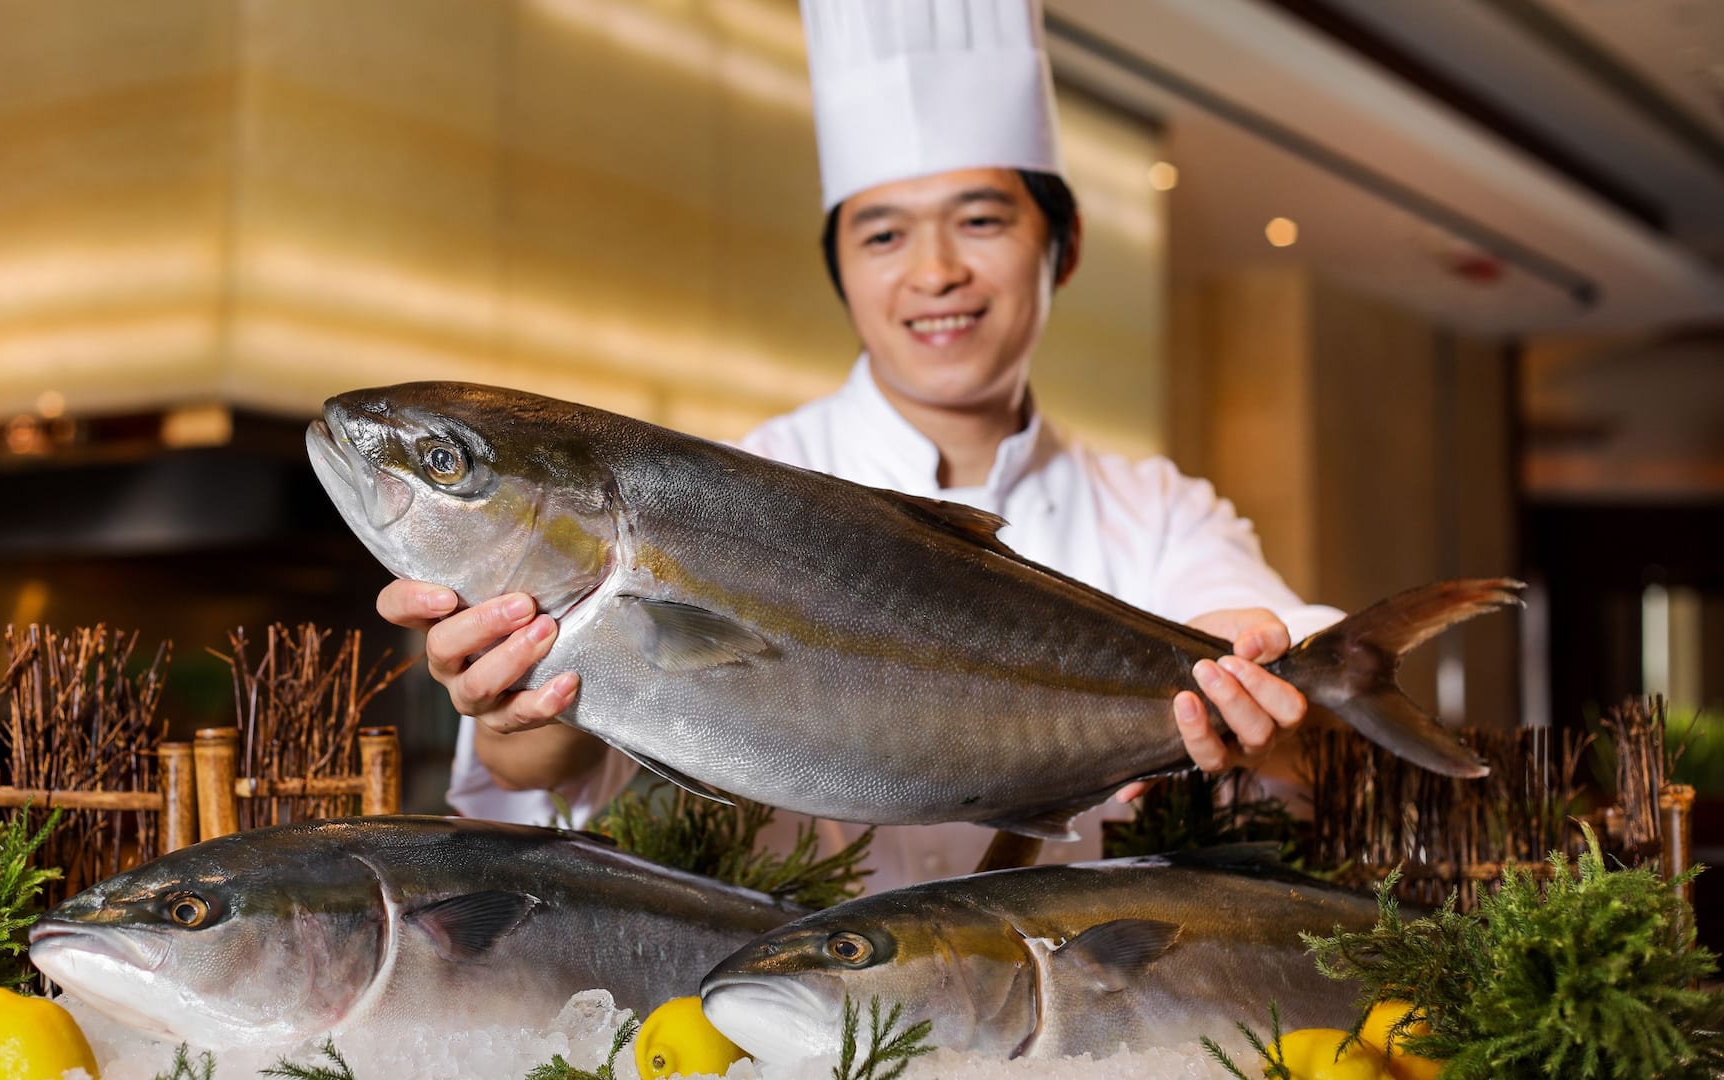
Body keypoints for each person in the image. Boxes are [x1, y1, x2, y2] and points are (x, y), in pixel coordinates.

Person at [377, 0, 1342, 892]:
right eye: (883, 236)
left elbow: (1296, 707)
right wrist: (516, 710)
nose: (935, 272)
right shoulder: (712, 492)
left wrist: (1264, 679)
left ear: (1066, 244)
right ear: (839, 266)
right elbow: (537, 786)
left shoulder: (1164, 511)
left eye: (981, 218)